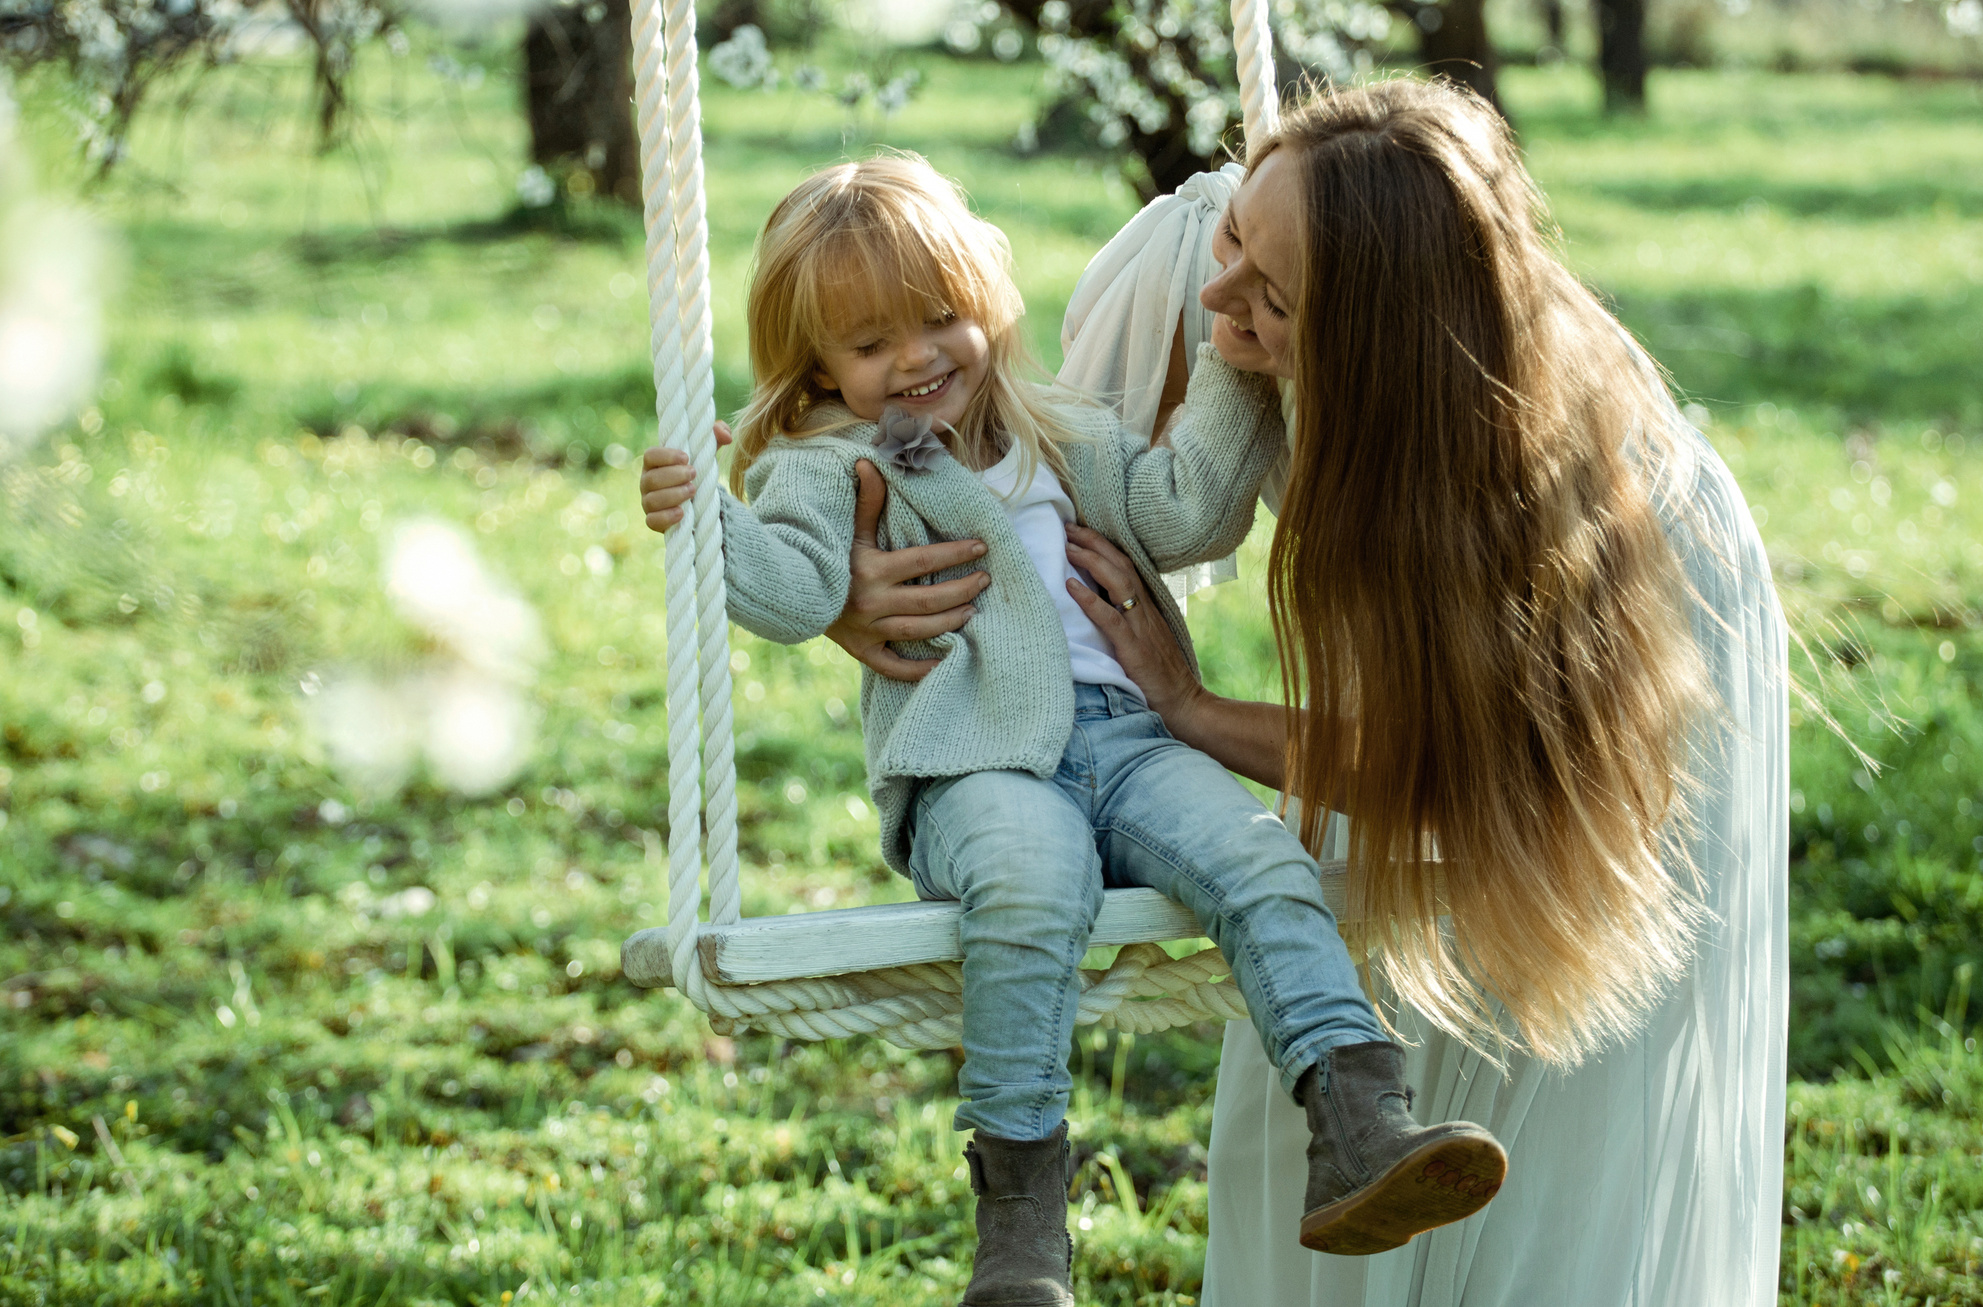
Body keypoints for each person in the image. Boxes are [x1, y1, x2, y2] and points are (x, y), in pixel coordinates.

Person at [828, 83, 1792, 1306]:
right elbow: (1007, 477)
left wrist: (1189, 709)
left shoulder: (1536, 500)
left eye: (1274, 300)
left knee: (1547, 1178)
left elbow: (1453, 770)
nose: (1221, 292)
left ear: (1373, 350)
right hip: (1389, 762)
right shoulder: (1249, 233)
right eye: (1239, 234)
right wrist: (857, 584)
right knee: (1289, 1146)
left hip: (1568, 792)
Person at [637, 153, 1510, 1307]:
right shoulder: (823, 464)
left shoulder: (1065, 436)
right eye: (867, 345)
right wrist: (706, 517)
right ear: (818, 369)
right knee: (1032, 885)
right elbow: (796, 594)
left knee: (1260, 859)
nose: (914, 360)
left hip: (1130, 743)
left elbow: (1184, 512)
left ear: (987, 304)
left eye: (940, 318)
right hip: (975, 764)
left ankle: (1358, 1118)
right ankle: (1020, 1233)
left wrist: (1237, 370)